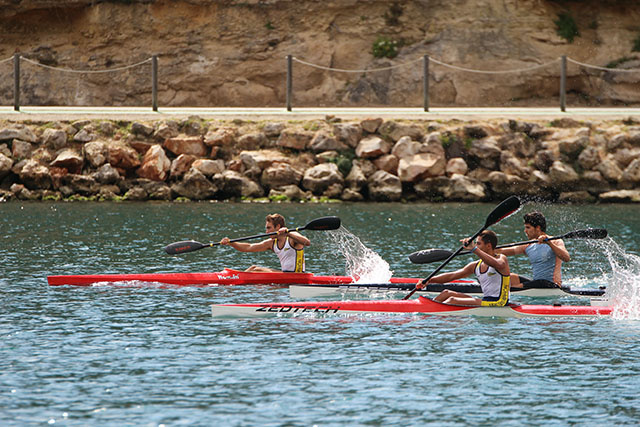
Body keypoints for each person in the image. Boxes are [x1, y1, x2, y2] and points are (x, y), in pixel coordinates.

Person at [416, 230, 510, 306]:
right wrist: (429, 280)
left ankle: (434, 315)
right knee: (446, 293)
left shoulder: (501, 258)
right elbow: (452, 276)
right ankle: (428, 309)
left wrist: (474, 249)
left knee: (453, 300)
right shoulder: (475, 265)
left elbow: (498, 265)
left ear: (489, 246)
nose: (476, 246)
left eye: (478, 244)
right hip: (486, 300)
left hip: (499, 303)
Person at [496, 211, 570, 288]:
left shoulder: (556, 241)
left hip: (552, 284)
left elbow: (566, 258)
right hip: (536, 283)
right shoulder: (528, 245)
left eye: (528, 227)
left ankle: (512, 290)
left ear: (538, 228)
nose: (525, 231)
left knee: (524, 285)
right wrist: (485, 249)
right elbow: (502, 251)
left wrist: (549, 243)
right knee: (511, 278)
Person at [220, 213, 310, 273]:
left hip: (298, 276)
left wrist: (289, 233)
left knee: (255, 269)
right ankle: (237, 280)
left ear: (278, 227)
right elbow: (249, 247)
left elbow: (307, 242)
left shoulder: (291, 237)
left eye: (269, 228)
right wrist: (231, 242)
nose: (266, 232)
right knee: (253, 268)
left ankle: (235, 280)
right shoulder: (271, 243)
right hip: (285, 275)